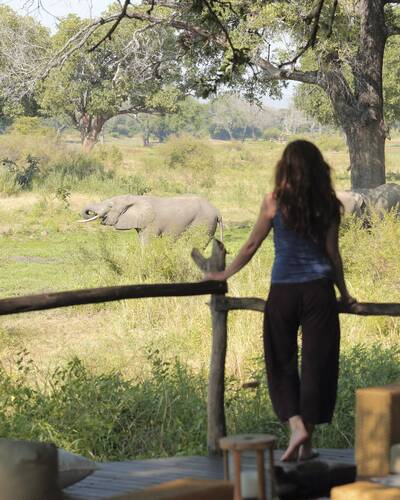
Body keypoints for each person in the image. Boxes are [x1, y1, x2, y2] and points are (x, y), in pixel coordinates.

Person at [204, 140, 356, 462]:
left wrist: (223, 274)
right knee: (318, 364)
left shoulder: (273, 201)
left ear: (284, 167)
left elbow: (250, 246)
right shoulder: (328, 203)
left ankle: (296, 426)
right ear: (318, 167)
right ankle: (308, 445)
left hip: (283, 292)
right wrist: (344, 292)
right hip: (319, 291)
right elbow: (333, 254)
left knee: (281, 361)